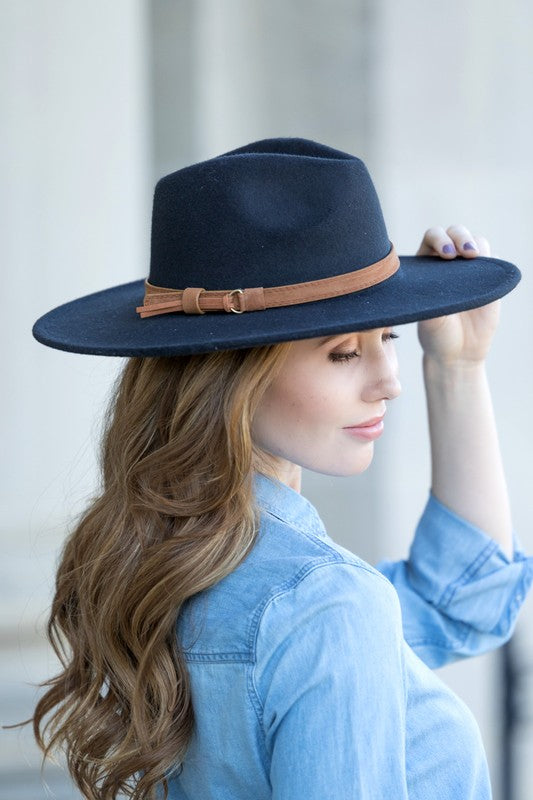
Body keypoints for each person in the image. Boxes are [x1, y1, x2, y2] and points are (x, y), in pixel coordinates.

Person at [31, 137, 533, 800]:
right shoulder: (322, 604)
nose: (390, 382)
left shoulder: (184, 565)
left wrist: (457, 365)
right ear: (234, 372)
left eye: (387, 336)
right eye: (341, 353)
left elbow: (462, 604)